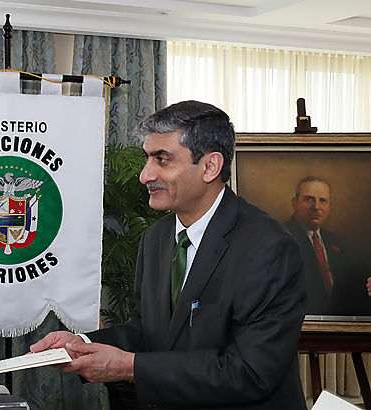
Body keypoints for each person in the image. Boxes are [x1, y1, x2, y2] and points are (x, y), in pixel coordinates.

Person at [30, 101, 307, 409]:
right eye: (148, 159)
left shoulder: (269, 248)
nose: (145, 175)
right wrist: (83, 344)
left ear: (210, 167)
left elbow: (251, 372)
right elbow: (151, 329)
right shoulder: (157, 237)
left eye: (162, 160)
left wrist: (129, 366)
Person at [282, 177, 370, 315]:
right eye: (309, 199)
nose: (316, 207)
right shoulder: (280, 238)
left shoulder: (336, 242)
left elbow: (350, 288)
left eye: (323, 201)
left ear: (330, 207)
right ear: (294, 202)